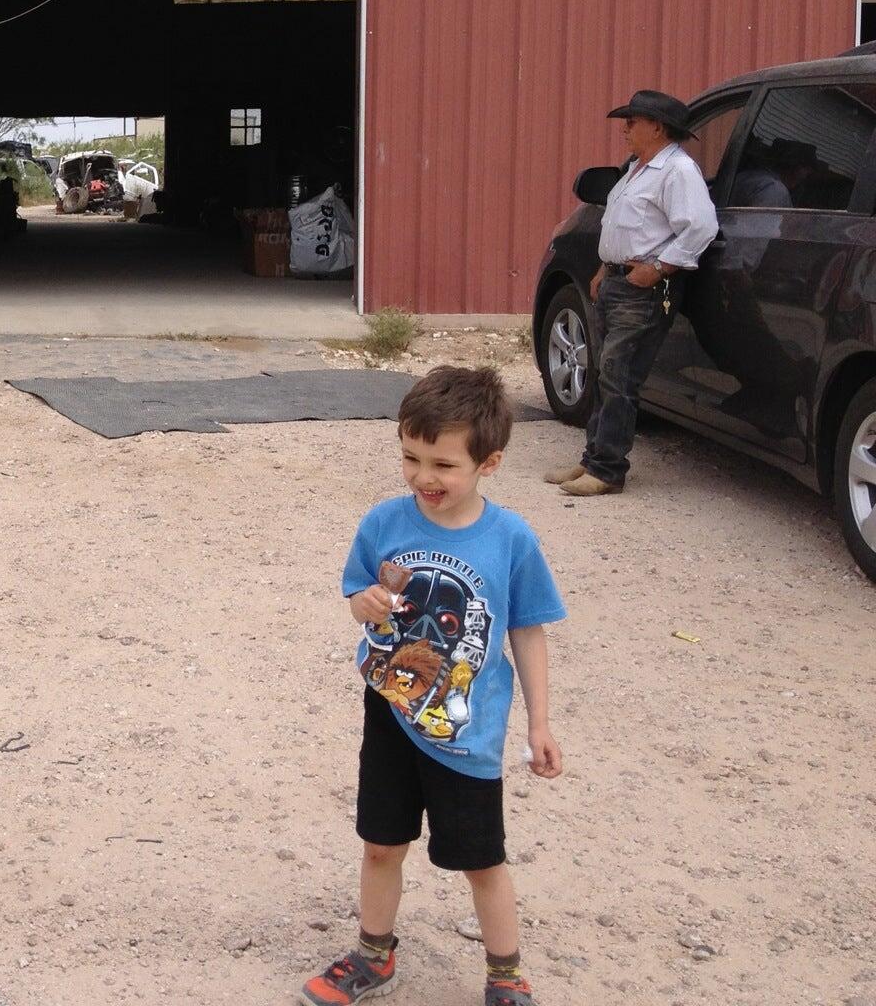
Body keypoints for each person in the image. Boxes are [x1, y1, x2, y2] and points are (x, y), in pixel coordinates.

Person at [302, 367, 565, 1006]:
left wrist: (539, 722)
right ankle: (373, 955)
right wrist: (363, 604)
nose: (425, 477)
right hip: (390, 715)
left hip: (466, 735)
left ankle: (506, 975)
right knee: (381, 845)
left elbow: (528, 631)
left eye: (443, 464)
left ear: (489, 462)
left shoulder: (510, 539)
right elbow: (360, 595)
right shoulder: (384, 523)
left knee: (481, 861)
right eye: (411, 458)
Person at [545, 90, 717, 497]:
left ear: (657, 127)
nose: (625, 128)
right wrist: (606, 268)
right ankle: (592, 458)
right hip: (618, 282)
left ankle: (607, 469)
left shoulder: (677, 171)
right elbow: (626, 225)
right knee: (606, 373)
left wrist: (658, 268)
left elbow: (701, 227)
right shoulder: (639, 169)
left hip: (644, 288)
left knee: (619, 374)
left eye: (633, 121)